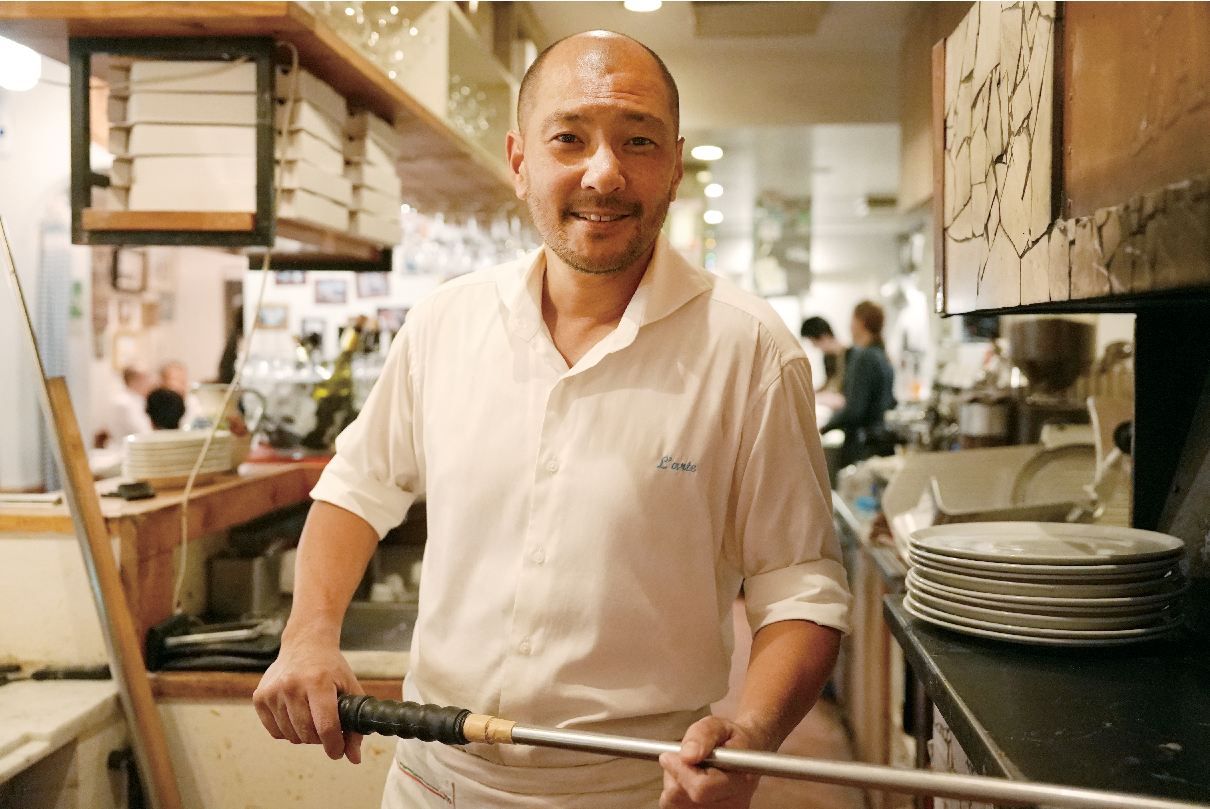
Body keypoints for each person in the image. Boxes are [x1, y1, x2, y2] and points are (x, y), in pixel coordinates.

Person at [253, 30, 850, 809]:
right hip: (433, 778)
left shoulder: (752, 350)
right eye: (569, 138)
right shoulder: (445, 323)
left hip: (635, 787)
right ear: (519, 159)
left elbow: (799, 584)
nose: (604, 172)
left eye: (638, 141)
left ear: (675, 163)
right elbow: (358, 488)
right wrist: (307, 633)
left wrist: (756, 731)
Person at [819, 301, 897, 468]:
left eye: (851, 320)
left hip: (862, 446)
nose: (849, 326)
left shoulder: (863, 358)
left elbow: (854, 409)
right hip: (877, 441)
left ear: (860, 323)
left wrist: (824, 428)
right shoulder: (881, 355)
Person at [800, 316, 849, 412]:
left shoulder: (850, 355)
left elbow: (843, 386)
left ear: (824, 336)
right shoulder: (828, 357)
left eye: (813, 342)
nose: (814, 346)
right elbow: (829, 381)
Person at [108, 367, 154, 443]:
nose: (151, 382)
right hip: (126, 447)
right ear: (133, 381)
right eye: (146, 378)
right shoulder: (123, 403)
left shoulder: (140, 400)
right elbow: (141, 432)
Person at [159, 360, 204, 428]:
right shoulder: (156, 403)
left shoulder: (193, 401)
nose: (182, 383)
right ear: (163, 381)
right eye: (176, 379)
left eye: (183, 379)